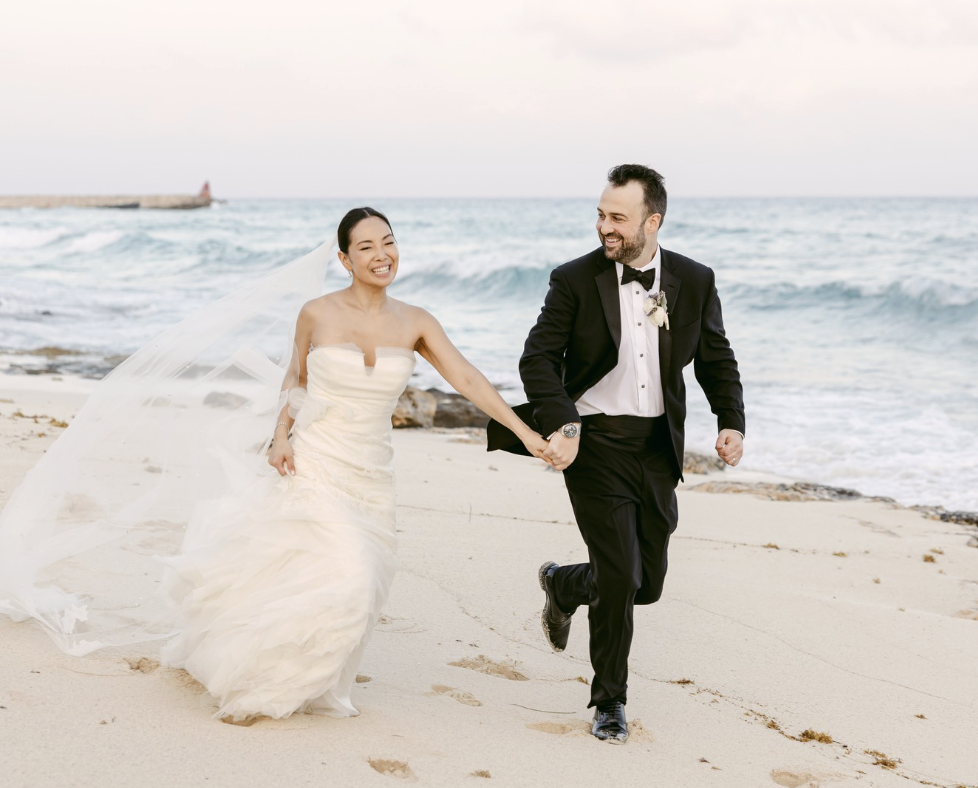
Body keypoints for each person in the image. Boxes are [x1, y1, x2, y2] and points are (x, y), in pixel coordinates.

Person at [153, 207, 550, 722]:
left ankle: (297, 673)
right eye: (366, 247)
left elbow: (468, 381)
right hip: (315, 458)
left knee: (351, 577)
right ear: (344, 258)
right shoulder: (316, 313)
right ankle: (271, 685)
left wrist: (527, 435)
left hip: (372, 472)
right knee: (350, 572)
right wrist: (280, 437)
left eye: (388, 242)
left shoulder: (416, 321)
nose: (382, 255)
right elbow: (294, 378)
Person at [488, 165, 745, 744]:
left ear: (652, 222)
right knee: (622, 572)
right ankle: (609, 701)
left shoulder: (695, 280)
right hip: (594, 445)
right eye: (601, 214)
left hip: (657, 448)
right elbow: (537, 360)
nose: (605, 226)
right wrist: (565, 425)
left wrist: (731, 421)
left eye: (618, 218)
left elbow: (716, 357)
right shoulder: (575, 279)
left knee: (644, 583)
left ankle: (563, 585)